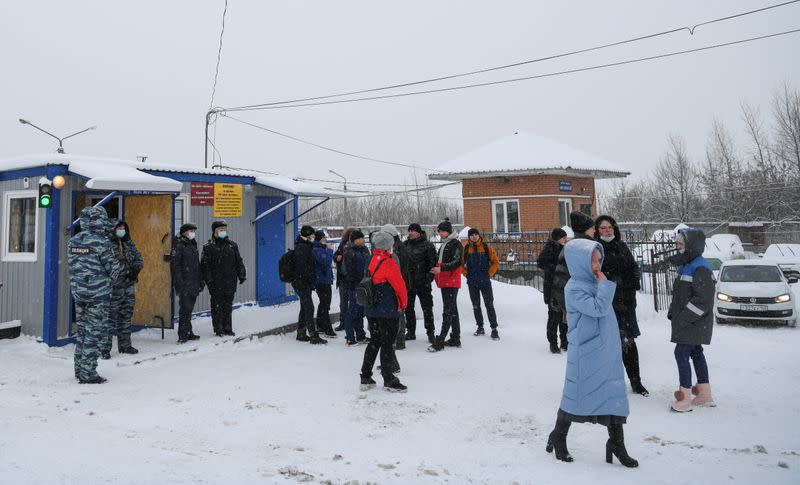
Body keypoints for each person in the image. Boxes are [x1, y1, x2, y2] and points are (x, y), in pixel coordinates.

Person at [545, 239, 638, 468]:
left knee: (612, 394)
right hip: (586, 351)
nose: (598, 265)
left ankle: (617, 443)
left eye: (599, 260)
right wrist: (605, 285)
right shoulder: (574, 287)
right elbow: (597, 309)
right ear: (579, 263)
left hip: (605, 349)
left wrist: (602, 285)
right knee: (576, 395)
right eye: (593, 261)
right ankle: (559, 435)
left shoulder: (595, 281)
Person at [67, 206, 123, 384]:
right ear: (101, 221)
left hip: (79, 293)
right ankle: (88, 373)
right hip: (97, 295)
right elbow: (114, 269)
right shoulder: (102, 242)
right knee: (93, 333)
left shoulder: (74, 240)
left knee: (82, 332)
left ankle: (80, 369)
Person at [595, 215, 649, 396]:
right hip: (608, 305)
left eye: (609, 227)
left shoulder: (622, 246)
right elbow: (595, 274)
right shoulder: (596, 249)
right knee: (608, 346)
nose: (607, 230)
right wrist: (612, 283)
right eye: (603, 228)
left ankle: (636, 382)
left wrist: (634, 280)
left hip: (626, 304)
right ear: (597, 230)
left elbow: (633, 267)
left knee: (629, 345)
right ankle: (608, 383)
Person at [668, 228, 716, 412]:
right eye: (677, 243)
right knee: (696, 352)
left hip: (694, 322)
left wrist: (683, 318)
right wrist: (674, 311)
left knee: (681, 353)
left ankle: (685, 397)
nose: (677, 247)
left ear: (691, 246)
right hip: (690, 321)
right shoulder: (687, 265)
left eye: (680, 244)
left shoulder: (700, 267)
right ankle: (704, 394)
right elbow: (680, 294)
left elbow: (703, 300)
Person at [360, 231, 409, 393]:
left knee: (374, 341)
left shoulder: (371, 259)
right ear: (388, 245)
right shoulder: (388, 262)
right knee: (388, 344)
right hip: (387, 309)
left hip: (372, 308)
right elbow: (399, 285)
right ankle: (389, 379)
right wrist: (403, 304)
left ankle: (365, 376)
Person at [550, 211, 596, 350]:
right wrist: (565, 307)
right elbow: (561, 278)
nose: (594, 230)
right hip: (581, 302)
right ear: (584, 229)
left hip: (584, 301)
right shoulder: (579, 248)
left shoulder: (585, 245)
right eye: (591, 227)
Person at [100, 219, 144, 358]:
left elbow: (139, 259)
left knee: (126, 316)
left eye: (123, 228)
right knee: (109, 319)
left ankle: (125, 346)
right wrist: (126, 271)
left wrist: (135, 271)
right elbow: (110, 266)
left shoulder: (128, 243)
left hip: (129, 286)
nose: (122, 230)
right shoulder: (106, 245)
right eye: (119, 227)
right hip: (114, 287)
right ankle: (105, 349)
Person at [201, 220, 246, 337]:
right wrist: (209, 281)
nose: (223, 231)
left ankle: (228, 328)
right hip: (216, 283)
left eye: (224, 229)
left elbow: (238, 261)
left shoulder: (232, 245)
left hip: (230, 282)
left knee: (227, 306)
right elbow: (205, 266)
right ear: (214, 231)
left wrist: (241, 274)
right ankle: (218, 329)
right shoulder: (209, 247)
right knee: (217, 307)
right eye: (220, 229)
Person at [429, 218, 464, 352]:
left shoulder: (455, 244)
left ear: (448, 232)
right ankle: (455, 338)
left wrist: (441, 269)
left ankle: (441, 340)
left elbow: (457, 262)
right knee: (452, 310)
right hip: (446, 280)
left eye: (442, 231)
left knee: (448, 311)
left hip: (451, 281)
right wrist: (437, 269)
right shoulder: (446, 243)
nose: (440, 233)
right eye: (440, 231)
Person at [462, 228, 500, 339]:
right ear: (469, 237)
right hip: (472, 282)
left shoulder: (486, 247)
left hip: (485, 281)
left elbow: (495, 262)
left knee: (489, 305)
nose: (474, 236)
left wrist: (489, 274)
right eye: (472, 235)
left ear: (479, 236)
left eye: (476, 234)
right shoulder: (466, 249)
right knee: (476, 306)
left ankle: (494, 328)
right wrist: (467, 274)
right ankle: (480, 327)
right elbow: (461, 265)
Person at [404, 223, 437, 343]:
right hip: (409, 283)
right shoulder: (405, 245)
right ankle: (411, 332)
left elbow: (433, 264)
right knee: (408, 309)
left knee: (427, 309)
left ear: (418, 232)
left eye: (413, 231)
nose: (410, 233)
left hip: (423, 283)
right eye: (409, 231)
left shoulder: (427, 245)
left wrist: (428, 278)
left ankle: (430, 332)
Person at [292, 225, 326, 344]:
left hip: (302, 282)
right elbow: (303, 268)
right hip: (301, 282)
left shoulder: (304, 245)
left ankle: (301, 333)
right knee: (309, 307)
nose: (313, 236)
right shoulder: (302, 247)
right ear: (307, 234)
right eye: (312, 234)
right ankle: (313, 335)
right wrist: (309, 281)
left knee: (304, 307)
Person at [172, 223, 203, 344]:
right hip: (185, 284)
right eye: (191, 230)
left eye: (194, 231)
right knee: (185, 310)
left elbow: (196, 265)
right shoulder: (179, 245)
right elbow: (176, 266)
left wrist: (200, 281)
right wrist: (180, 284)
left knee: (189, 310)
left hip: (193, 282)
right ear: (184, 232)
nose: (193, 233)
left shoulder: (192, 244)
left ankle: (189, 332)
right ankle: (182, 335)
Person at [538, 228, 568, 353]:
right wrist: (556, 268)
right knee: (554, 317)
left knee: (564, 317)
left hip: (564, 287)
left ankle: (565, 342)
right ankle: (553, 343)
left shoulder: (565, 249)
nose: (565, 240)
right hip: (553, 288)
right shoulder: (549, 249)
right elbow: (541, 263)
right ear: (557, 238)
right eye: (563, 238)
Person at [342, 230, 370, 345]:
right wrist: (354, 283)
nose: (363, 240)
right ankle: (349, 336)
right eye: (361, 238)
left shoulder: (364, 250)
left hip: (364, 285)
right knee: (352, 311)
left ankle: (360, 335)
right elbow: (348, 271)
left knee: (360, 311)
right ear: (355, 240)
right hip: (354, 286)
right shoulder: (350, 252)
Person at [313, 229, 337, 338]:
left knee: (323, 303)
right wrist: (330, 250)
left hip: (325, 279)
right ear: (319, 238)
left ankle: (321, 325)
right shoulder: (316, 249)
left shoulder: (321, 248)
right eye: (324, 237)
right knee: (325, 304)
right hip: (321, 281)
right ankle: (327, 328)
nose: (325, 239)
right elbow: (326, 261)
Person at [334, 228, 356, 332]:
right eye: (350, 234)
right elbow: (336, 255)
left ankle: (352, 323)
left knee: (353, 303)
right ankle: (343, 322)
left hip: (353, 279)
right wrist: (336, 257)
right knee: (343, 303)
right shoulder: (342, 245)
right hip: (343, 278)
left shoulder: (358, 247)